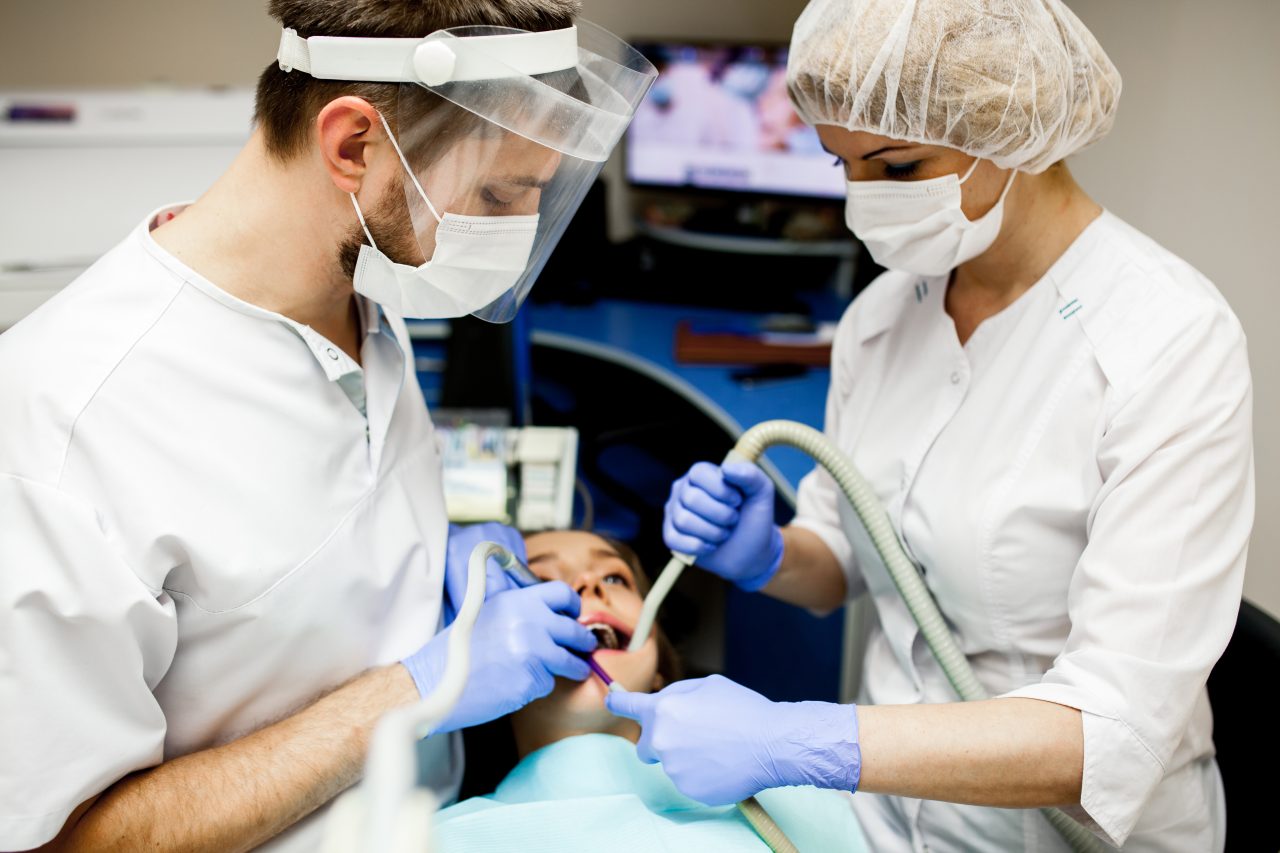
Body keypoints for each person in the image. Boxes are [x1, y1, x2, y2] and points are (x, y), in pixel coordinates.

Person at [0, 2, 654, 850]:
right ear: (353, 145)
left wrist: (444, 558)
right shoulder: (65, 430)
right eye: (496, 193)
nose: (513, 233)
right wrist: (415, 689)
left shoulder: (370, 286)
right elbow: (70, 840)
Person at [608, 1, 1254, 851]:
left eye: (899, 164)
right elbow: (846, 560)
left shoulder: (1168, 340)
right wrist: (769, 555)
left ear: (1013, 128)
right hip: (881, 821)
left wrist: (802, 740)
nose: (858, 204)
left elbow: (1112, 730)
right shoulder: (885, 314)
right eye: (841, 165)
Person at [432, 530, 869, 852]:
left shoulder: (802, 800)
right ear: (486, 668)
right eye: (541, 579)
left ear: (659, 665)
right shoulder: (435, 838)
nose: (587, 584)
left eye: (616, 578)